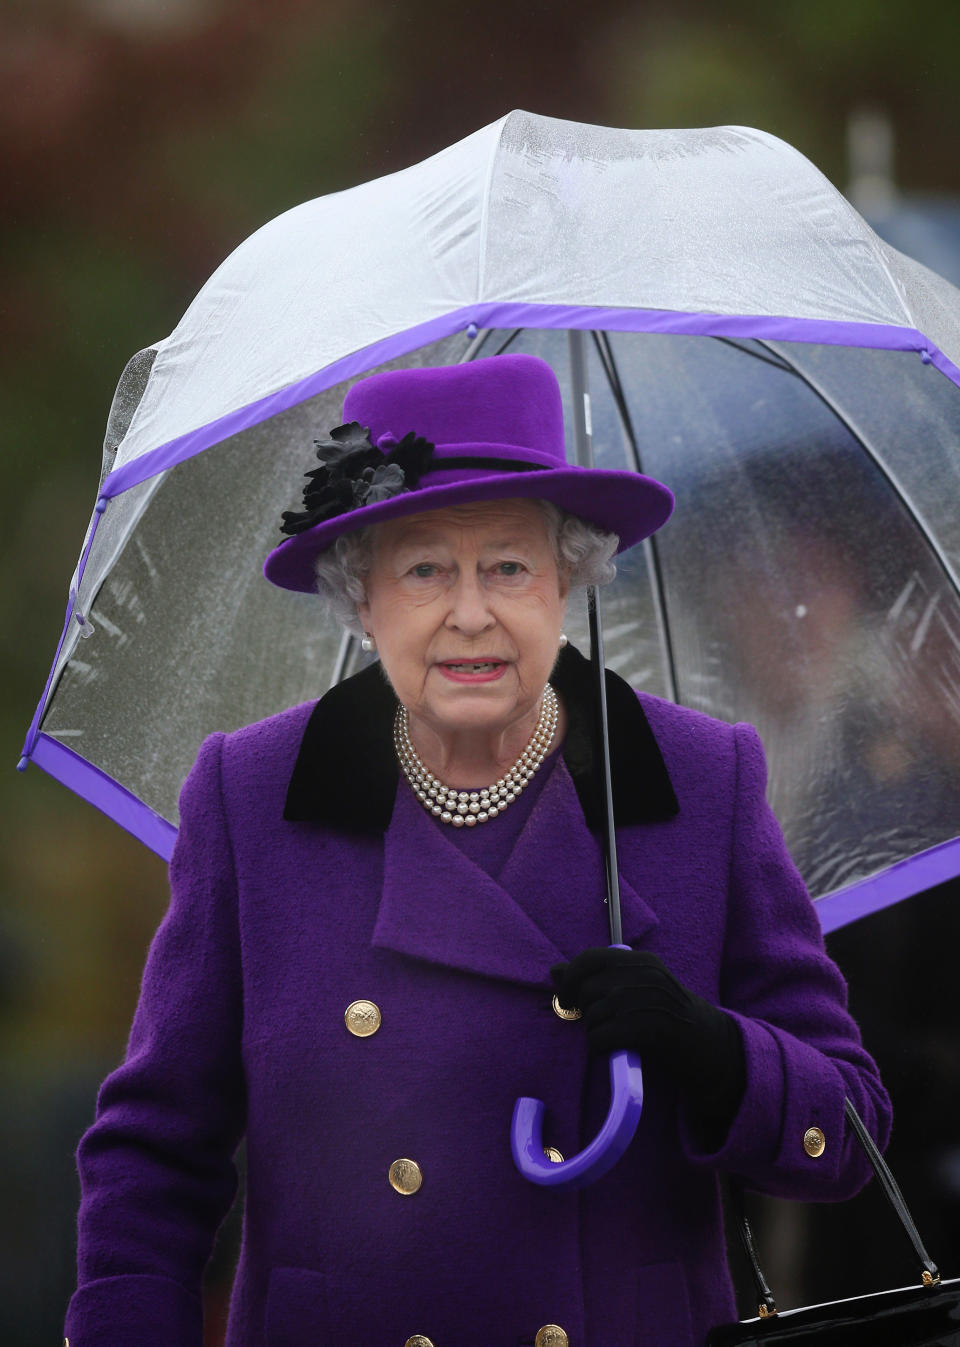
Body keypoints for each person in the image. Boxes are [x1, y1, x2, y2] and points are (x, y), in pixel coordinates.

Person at [64, 353, 892, 1347]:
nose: (470, 612)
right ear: (362, 598)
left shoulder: (699, 780)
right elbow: (154, 1154)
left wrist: (710, 1048)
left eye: (508, 565)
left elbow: (847, 1138)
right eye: (424, 570)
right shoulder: (252, 794)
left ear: (566, 582)